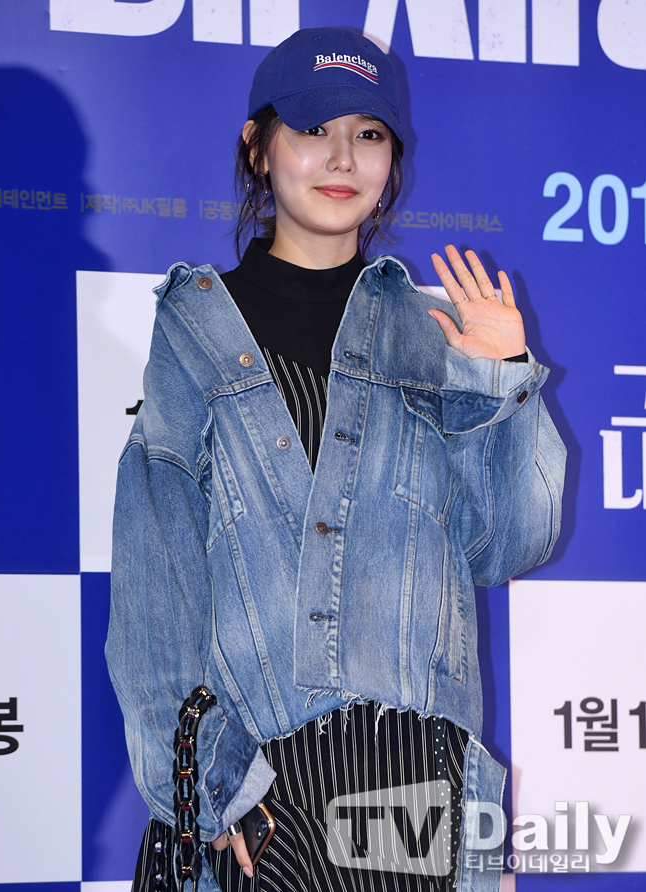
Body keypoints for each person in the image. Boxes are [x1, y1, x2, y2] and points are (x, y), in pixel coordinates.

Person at [106, 26, 566, 892]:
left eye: (369, 133)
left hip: (416, 789)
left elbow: (509, 545)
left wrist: (501, 379)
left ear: (393, 157)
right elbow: (154, 590)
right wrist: (213, 787)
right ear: (258, 145)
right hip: (259, 794)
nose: (342, 157)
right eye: (314, 128)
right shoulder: (197, 333)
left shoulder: (434, 337)